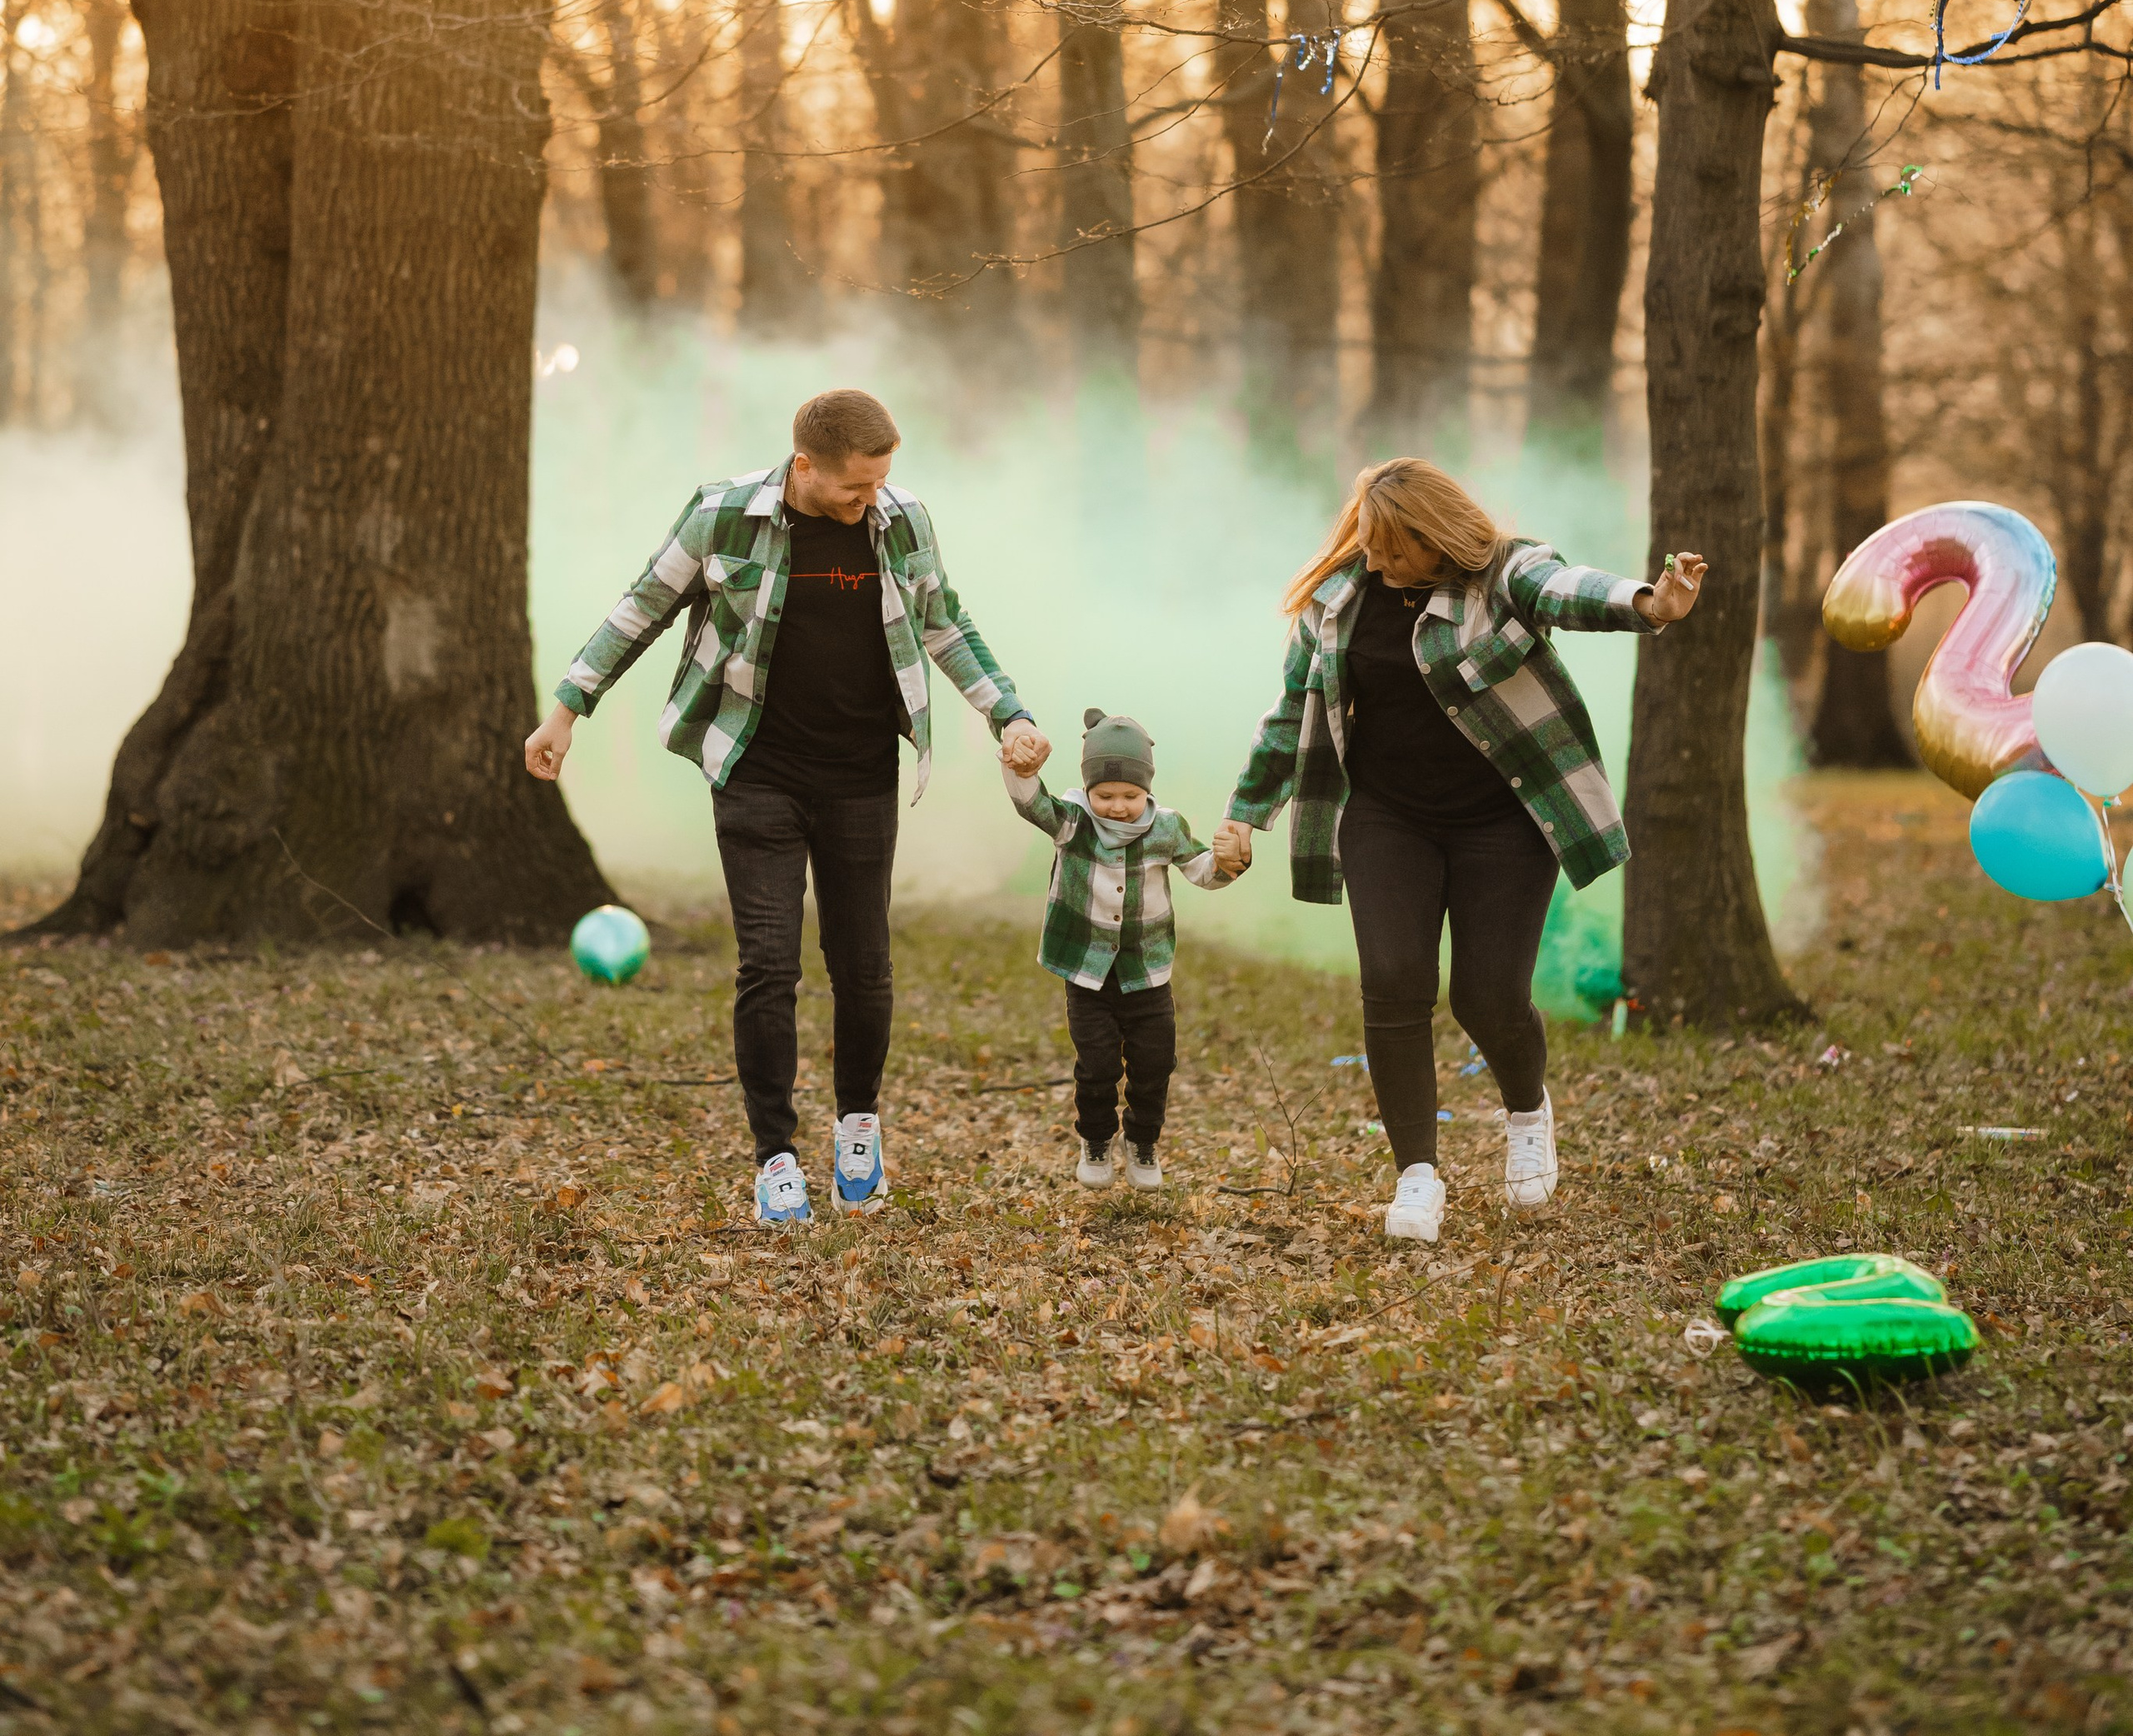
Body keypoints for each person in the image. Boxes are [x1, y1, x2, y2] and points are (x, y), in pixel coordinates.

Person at [523, 387, 1042, 1230]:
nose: (869, 499)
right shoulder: (724, 514)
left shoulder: (901, 519)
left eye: (879, 482)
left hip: (861, 775)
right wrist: (565, 709)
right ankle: (775, 1158)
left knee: (863, 966)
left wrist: (1007, 712)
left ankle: (857, 1127)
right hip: (755, 770)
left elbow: (945, 624)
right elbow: (641, 608)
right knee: (768, 966)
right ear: (804, 465)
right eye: (854, 486)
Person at [1211, 461, 1705, 1245]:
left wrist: (1649, 604)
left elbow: (1565, 589)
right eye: (1366, 545)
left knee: (1488, 998)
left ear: (1432, 535)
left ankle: (1527, 1114)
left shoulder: (1506, 574)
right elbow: (1289, 716)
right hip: (1387, 818)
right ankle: (1417, 1176)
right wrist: (1244, 814)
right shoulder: (1338, 603)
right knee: (1394, 982)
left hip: (1502, 820)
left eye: (1390, 548)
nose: (1374, 561)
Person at [1003, 706, 1242, 1191]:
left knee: (1155, 1062)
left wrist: (1227, 861)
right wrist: (1020, 767)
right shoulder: (1074, 822)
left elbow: (1200, 871)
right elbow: (1033, 805)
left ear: (1148, 790)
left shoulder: (1167, 828)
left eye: (1130, 795)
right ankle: (1095, 1140)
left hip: (1147, 973)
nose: (1117, 806)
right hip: (1087, 974)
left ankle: (1143, 1143)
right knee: (1097, 1067)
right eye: (1104, 795)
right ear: (1088, 790)